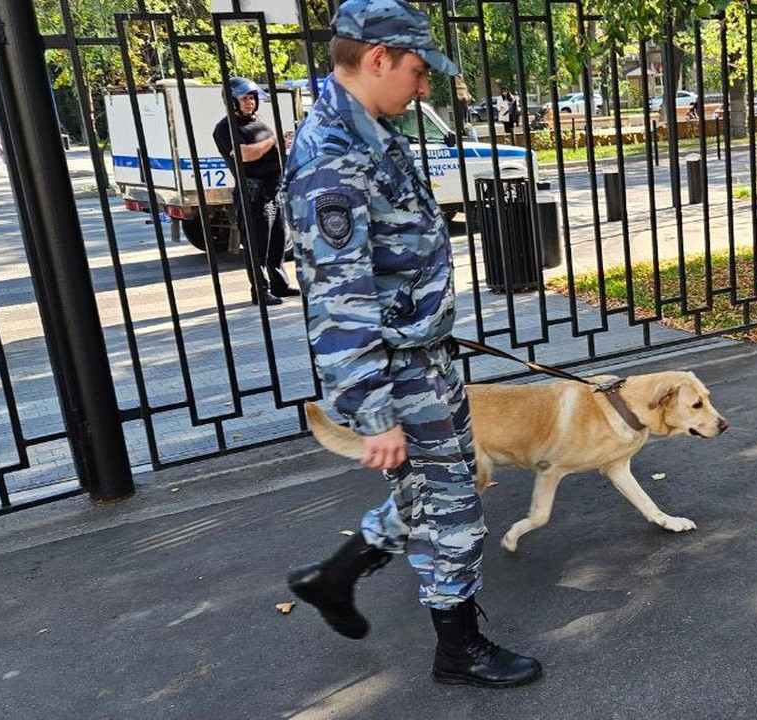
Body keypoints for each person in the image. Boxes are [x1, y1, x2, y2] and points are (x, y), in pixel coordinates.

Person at [280, 0, 542, 689]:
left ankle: (333, 578)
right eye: (419, 70)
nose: (424, 86)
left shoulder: (369, 129)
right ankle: (458, 650)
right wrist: (373, 412)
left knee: (436, 491)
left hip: (423, 359)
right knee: (455, 507)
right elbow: (339, 299)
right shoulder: (330, 158)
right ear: (377, 59)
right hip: (397, 377)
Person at [213, 77, 299, 306]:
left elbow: (270, 147)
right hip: (253, 194)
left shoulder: (257, 122)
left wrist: (283, 143)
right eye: (245, 98)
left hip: (273, 191)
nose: (250, 102)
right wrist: (273, 141)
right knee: (257, 246)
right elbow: (245, 154)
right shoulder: (225, 128)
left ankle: (280, 284)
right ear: (232, 101)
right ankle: (260, 291)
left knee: (277, 242)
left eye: (252, 98)